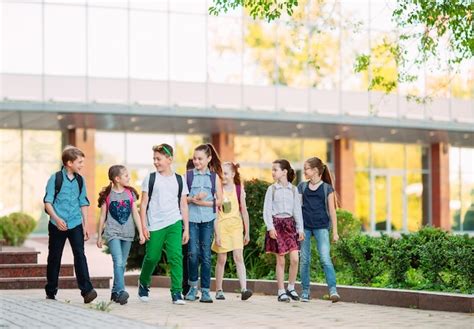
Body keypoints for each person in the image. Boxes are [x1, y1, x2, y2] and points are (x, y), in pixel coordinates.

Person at [43, 145, 97, 303]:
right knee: (54, 257)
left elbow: (83, 203)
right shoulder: (56, 178)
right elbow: (48, 201)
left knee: (80, 255)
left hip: (75, 223)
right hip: (56, 224)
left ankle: (87, 291)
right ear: (69, 163)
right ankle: (51, 291)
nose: (82, 165)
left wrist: (86, 225)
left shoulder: (81, 180)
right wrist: (56, 218)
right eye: (79, 162)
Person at [137, 144, 189, 305]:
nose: (155, 162)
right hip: (155, 224)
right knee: (152, 257)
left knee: (175, 257)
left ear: (169, 160)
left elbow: (183, 205)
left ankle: (176, 292)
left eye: (158, 159)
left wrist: (186, 228)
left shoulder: (179, 179)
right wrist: (144, 226)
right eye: (154, 159)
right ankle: (143, 283)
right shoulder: (151, 178)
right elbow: (143, 204)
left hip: (174, 222)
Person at [96, 165, 145, 305]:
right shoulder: (107, 196)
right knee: (118, 261)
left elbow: (135, 213)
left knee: (122, 264)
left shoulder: (130, 194)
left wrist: (141, 232)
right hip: (113, 233)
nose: (129, 177)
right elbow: (102, 217)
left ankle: (115, 293)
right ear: (117, 179)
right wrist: (100, 236)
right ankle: (121, 291)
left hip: (128, 233)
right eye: (126, 175)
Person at [298, 157, 340, 302]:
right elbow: (297, 209)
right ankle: (305, 291)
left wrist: (335, 232)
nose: (304, 171)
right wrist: (298, 229)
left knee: (325, 259)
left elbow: (332, 211)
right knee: (304, 260)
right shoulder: (302, 187)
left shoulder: (327, 188)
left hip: (322, 227)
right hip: (305, 228)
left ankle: (333, 290)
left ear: (315, 171)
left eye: (306, 169)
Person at [185, 143, 223, 303]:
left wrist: (204, 203)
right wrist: (193, 199)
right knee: (193, 254)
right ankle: (193, 288)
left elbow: (220, 201)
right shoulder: (187, 175)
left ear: (208, 159)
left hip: (208, 220)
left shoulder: (214, 178)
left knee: (206, 256)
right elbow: (181, 199)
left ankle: (206, 291)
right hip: (192, 220)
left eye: (200, 158)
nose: (196, 161)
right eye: (194, 158)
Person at [263, 159, 304, 302]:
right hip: (277, 225)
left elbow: (297, 210)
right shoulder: (272, 189)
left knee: (295, 259)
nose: (273, 172)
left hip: (290, 226)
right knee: (280, 260)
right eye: (272, 170)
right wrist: (270, 228)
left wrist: (300, 229)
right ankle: (281, 291)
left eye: (275, 169)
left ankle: (291, 287)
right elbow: (267, 210)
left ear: (284, 172)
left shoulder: (294, 190)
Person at [212, 162, 252, 301]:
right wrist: (216, 233)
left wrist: (247, 232)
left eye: (226, 173)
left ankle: (244, 289)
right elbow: (215, 214)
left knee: (238, 257)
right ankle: (219, 289)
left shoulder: (239, 189)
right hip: (222, 227)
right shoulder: (218, 191)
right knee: (222, 258)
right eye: (221, 173)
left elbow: (244, 212)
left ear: (233, 174)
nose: (223, 176)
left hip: (236, 227)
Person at [182, 158, 195, 296]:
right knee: (188, 256)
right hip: (187, 224)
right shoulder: (183, 181)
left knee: (191, 256)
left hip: (197, 223)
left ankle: (190, 287)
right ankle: (186, 287)